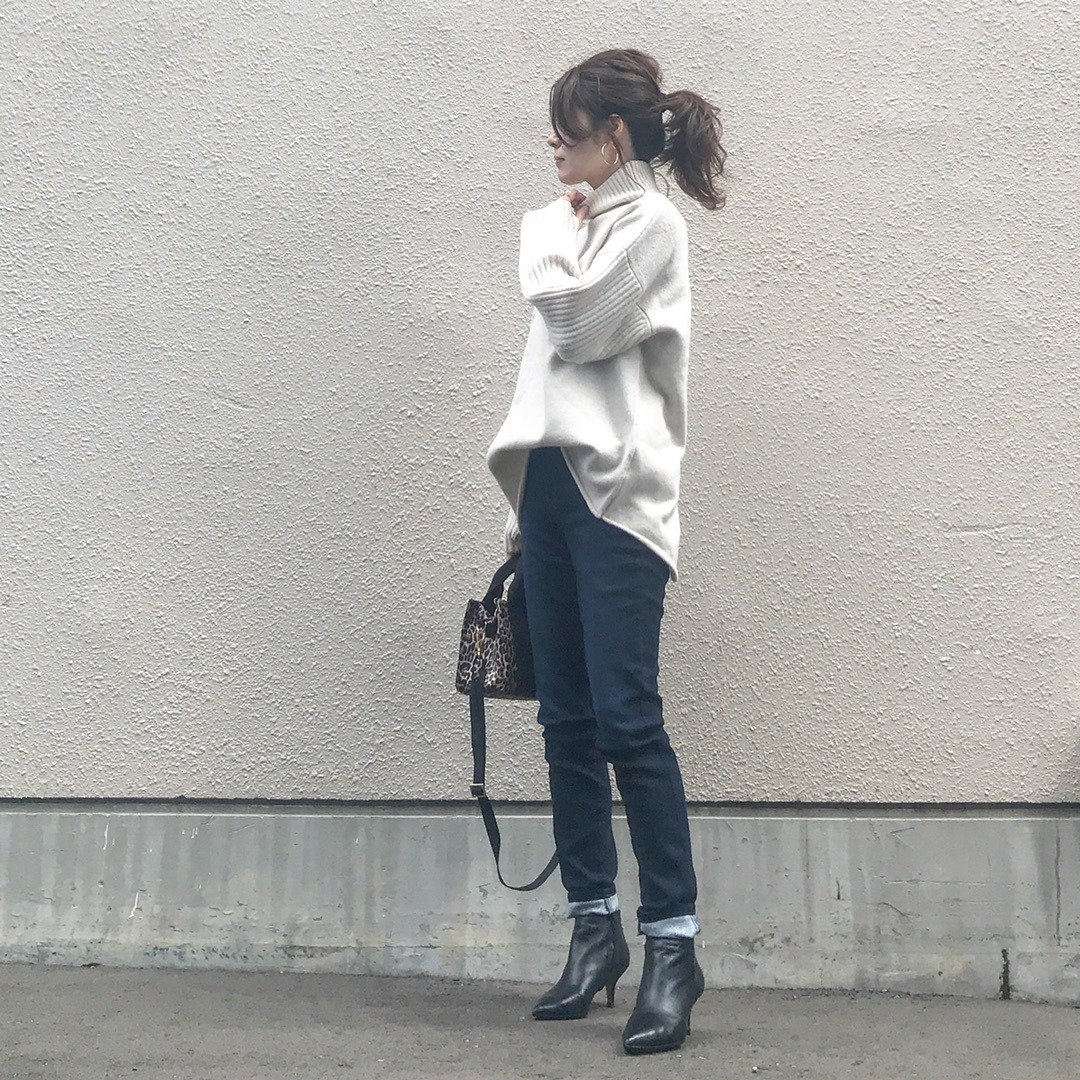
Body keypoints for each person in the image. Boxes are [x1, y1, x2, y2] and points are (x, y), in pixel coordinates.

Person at [486, 48, 726, 1055]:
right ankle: (595, 931)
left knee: (628, 719)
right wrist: (518, 519)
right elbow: (549, 381)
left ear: (615, 135)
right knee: (567, 722)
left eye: (570, 126)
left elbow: (578, 327)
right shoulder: (581, 227)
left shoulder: (646, 226)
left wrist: (546, 229)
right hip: (548, 490)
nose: (553, 142)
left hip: (620, 501)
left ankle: (672, 946)